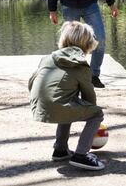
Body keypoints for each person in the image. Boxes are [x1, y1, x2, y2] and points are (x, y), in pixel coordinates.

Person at [28, 21, 105, 171]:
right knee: (96, 114)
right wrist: (92, 116)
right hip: (56, 106)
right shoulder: (80, 65)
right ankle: (81, 155)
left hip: (38, 107)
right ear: (86, 45)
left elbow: (32, 81)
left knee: (67, 100)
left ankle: (60, 149)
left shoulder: (47, 58)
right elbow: (89, 97)